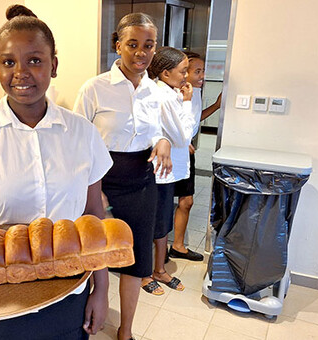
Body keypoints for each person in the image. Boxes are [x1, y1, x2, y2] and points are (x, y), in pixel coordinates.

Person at [0, 5, 113, 340]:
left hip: (69, 291)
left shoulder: (82, 133)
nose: (21, 72)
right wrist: (9, 238)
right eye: (8, 62)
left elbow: (94, 217)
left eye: (34, 60)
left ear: (53, 65)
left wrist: (101, 288)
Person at [73, 13, 187, 340]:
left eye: (148, 46)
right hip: (101, 181)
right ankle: (86, 320)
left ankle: (126, 330)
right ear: (118, 44)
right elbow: (78, 142)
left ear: (155, 49)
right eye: (133, 44)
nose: (141, 52)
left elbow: (173, 135)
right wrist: (91, 187)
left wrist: (162, 141)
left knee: (136, 261)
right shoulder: (95, 88)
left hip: (141, 182)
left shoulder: (156, 92)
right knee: (92, 253)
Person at [140, 47, 196, 295]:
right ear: (165, 72)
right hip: (158, 171)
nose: (187, 76)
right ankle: (144, 273)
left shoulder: (169, 92)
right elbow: (183, 135)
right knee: (150, 223)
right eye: (183, 70)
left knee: (161, 222)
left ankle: (159, 269)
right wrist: (187, 103)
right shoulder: (162, 96)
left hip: (168, 171)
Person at [168, 52, 222, 261]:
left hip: (185, 152)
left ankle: (178, 246)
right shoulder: (172, 94)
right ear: (183, 73)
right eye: (197, 71)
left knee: (186, 201)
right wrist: (182, 140)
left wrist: (216, 106)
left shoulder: (195, 92)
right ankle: (160, 248)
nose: (203, 76)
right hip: (171, 154)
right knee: (165, 203)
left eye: (203, 71)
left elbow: (193, 120)